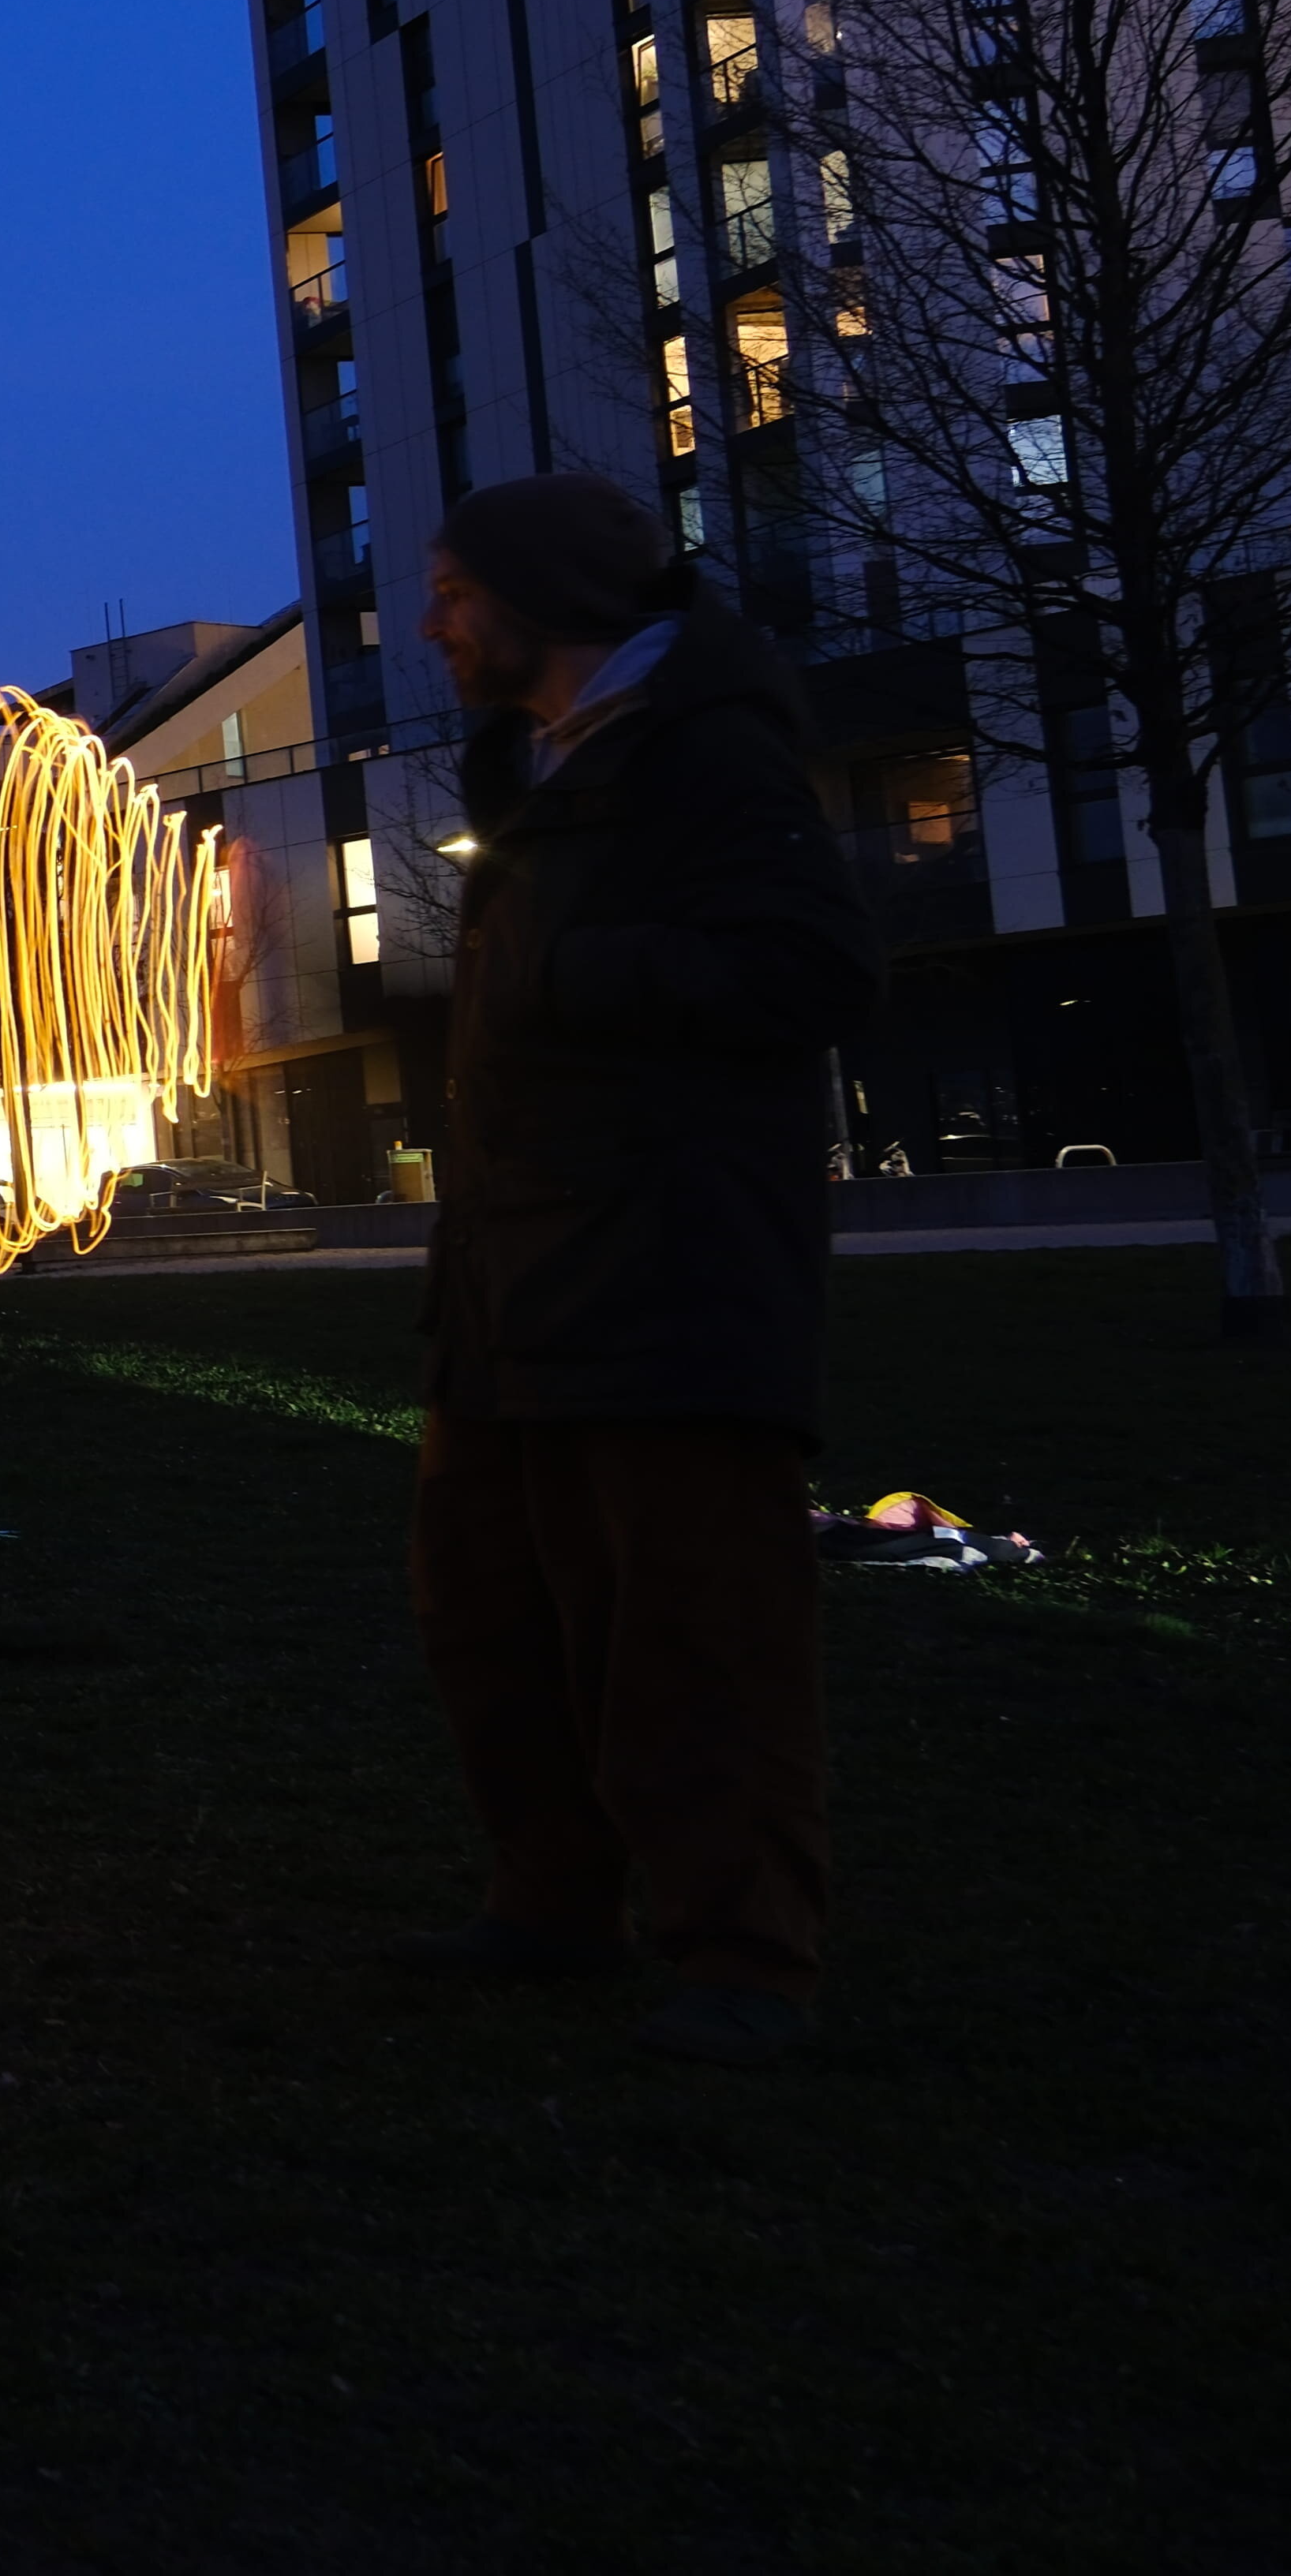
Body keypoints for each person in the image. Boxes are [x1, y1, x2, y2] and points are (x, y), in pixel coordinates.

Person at [403, 475, 881, 2067]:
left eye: (458, 592)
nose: (433, 623)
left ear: (544, 598)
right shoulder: (541, 763)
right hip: (515, 1277)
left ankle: (746, 1956)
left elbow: (811, 967)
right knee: (498, 1613)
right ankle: (553, 1901)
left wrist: (571, 973)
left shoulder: (704, 753)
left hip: (665, 1275)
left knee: (690, 1625)